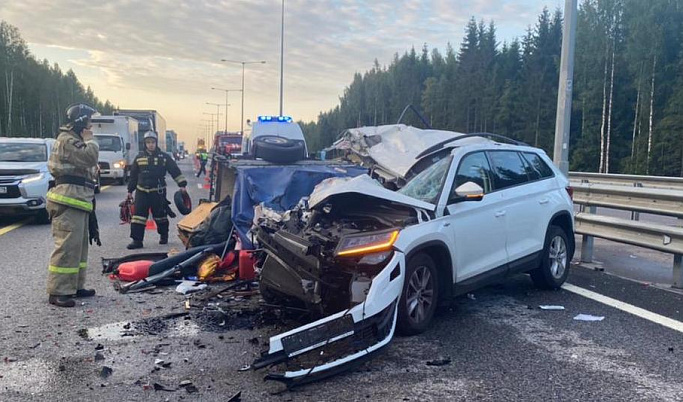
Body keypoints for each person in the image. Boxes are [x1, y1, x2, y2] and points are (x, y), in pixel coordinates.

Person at [46, 103, 100, 308]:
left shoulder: (73, 140)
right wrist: (91, 141)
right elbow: (89, 156)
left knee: (78, 247)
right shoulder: (68, 140)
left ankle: (74, 286)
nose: (91, 125)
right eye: (88, 121)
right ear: (80, 122)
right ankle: (58, 291)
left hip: (78, 200)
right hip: (68, 200)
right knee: (68, 247)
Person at [127, 131, 187, 249]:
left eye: (153, 142)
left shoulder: (164, 157)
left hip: (158, 191)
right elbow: (133, 176)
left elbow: (174, 170)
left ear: (156, 143)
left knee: (160, 216)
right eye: (148, 142)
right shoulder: (139, 158)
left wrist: (182, 184)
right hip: (141, 191)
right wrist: (130, 191)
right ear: (145, 144)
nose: (151, 145)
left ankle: (163, 236)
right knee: (138, 217)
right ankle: (137, 240)